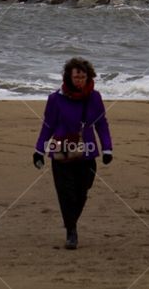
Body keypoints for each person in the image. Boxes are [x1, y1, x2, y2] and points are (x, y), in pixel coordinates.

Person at [33, 57, 112, 250]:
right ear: (69, 76)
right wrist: (39, 151)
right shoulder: (55, 99)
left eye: (83, 77)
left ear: (88, 77)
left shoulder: (95, 97)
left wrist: (107, 148)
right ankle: (71, 231)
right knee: (66, 193)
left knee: (82, 191)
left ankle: (71, 222)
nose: (80, 80)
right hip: (61, 152)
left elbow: (101, 124)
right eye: (76, 76)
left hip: (87, 152)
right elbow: (48, 126)